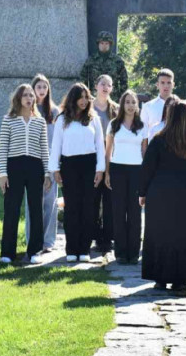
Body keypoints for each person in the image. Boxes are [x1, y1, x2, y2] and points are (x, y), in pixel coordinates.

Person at [140, 101, 186, 291]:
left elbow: (147, 169)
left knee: (160, 234)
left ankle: (160, 278)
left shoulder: (158, 140)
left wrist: (142, 192)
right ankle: (182, 279)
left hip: (161, 194)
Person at [49, 83, 106, 262]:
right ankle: (71, 249)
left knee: (88, 207)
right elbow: (56, 144)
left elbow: (100, 145)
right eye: (80, 97)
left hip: (89, 165)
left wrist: (100, 169)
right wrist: (55, 169)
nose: (84, 101)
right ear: (73, 99)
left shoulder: (93, 118)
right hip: (69, 165)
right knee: (72, 208)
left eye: (86, 97)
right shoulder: (62, 119)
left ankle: (84, 249)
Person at [0, 84, 51, 265]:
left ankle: (35, 250)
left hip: (35, 167)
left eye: (31, 96)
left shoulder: (40, 121)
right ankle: (7, 252)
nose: (29, 98)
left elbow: (44, 148)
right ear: (18, 99)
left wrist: (47, 173)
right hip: (14, 166)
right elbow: (3, 148)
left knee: (36, 209)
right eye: (25, 95)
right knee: (12, 209)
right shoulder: (8, 120)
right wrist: (3, 174)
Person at [105, 90, 148, 264]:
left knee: (135, 212)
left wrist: (146, 176)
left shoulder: (142, 126)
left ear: (137, 105)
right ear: (122, 104)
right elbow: (107, 152)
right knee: (118, 211)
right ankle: (121, 253)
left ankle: (133, 253)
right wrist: (107, 173)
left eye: (133, 102)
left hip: (137, 171)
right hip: (117, 170)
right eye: (127, 102)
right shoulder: (113, 125)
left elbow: (145, 152)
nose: (130, 105)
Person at [32, 74, 60, 253]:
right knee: (33, 203)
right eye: (39, 87)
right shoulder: (28, 109)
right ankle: (32, 239)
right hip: (33, 161)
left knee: (51, 200)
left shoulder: (55, 112)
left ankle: (48, 241)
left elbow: (58, 138)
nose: (42, 90)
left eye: (44, 87)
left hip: (51, 160)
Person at [92, 75, 119, 255]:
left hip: (111, 156)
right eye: (103, 84)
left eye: (109, 85)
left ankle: (108, 237)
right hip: (93, 156)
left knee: (109, 198)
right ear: (96, 86)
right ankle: (95, 235)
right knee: (94, 198)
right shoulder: (89, 107)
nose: (106, 87)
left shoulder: (116, 108)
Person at [80, 31, 129, 98]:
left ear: (110, 45)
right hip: (94, 98)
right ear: (98, 44)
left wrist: (122, 98)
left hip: (113, 98)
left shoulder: (117, 61)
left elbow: (124, 81)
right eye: (102, 43)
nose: (104, 46)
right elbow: (83, 78)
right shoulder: (91, 60)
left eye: (106, 43)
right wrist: (86, 95)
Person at [140, 68, 175, 134]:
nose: (166, 86)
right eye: (162, 83)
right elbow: (143, 132)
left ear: (173, 85)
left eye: (169, 83)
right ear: (157, 85)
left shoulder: (179, 106)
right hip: (154, 143)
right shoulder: (148, 106)